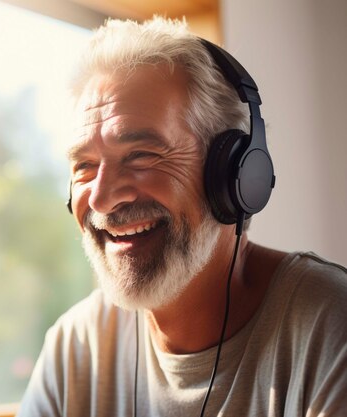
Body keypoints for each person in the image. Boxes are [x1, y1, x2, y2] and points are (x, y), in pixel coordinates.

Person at [17, 17, 347, 417]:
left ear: (233, 174)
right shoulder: (77, 346)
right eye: (84, 166)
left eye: (141, 156)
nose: (102, 199)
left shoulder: (331, 328)